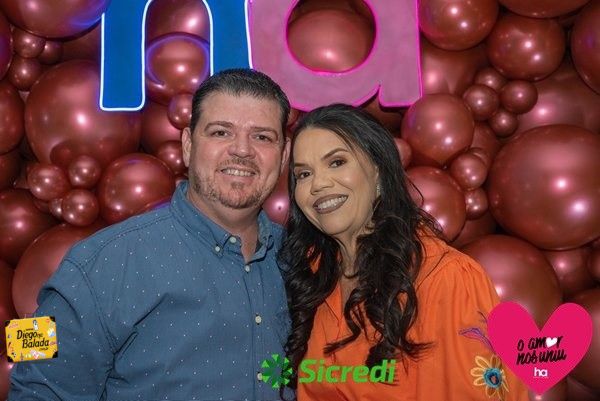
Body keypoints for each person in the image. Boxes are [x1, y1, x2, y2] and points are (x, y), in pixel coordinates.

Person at [10, 69, 292, 401]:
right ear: (188, 145)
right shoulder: (99, 263)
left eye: (262, 137)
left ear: (284, 155)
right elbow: (34, 387)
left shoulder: (300, 260)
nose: (242, 150)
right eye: (221, 132)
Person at [279, 104, 529, 400]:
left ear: (378, 172)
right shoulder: (311, 279)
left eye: (337, 162)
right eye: (304, 174)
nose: (318, 184)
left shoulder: (445, 277)